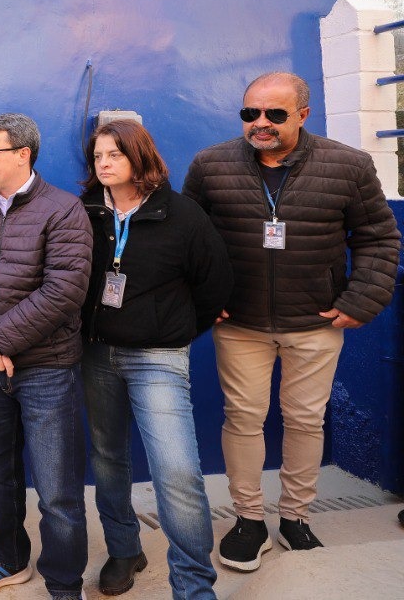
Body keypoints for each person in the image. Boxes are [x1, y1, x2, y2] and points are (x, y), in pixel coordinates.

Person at [184, 72, 400, 570]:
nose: (260, 123)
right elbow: (188, 239)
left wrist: (361, 299)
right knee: (243, 419)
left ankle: (295, 517)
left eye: (275, 114)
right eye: (250, 113)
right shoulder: (210, 164)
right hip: (240, 323)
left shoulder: (349, 165)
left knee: (305, 420)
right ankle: (248, 520)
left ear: (303, 114)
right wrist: (202, 295)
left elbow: (378, 237)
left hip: (317, 323)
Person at [0, 113, 93, 600]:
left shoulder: (64, 210)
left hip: (46, 370)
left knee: (57, 490)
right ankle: (7, 559)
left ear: (23, 154)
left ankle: (64, 584)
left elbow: (63, 292)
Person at [79, 120, 232, 599]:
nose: (104, 164)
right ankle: (125, 549)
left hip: (158, 358)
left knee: (177, 471)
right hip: (96, 354)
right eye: (98, 156)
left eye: (115, 155)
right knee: (108, 459)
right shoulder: (85, 211)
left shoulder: (182, 214)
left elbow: (214, 285)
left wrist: (174, 330)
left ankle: (193, 585)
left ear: (139, 156)